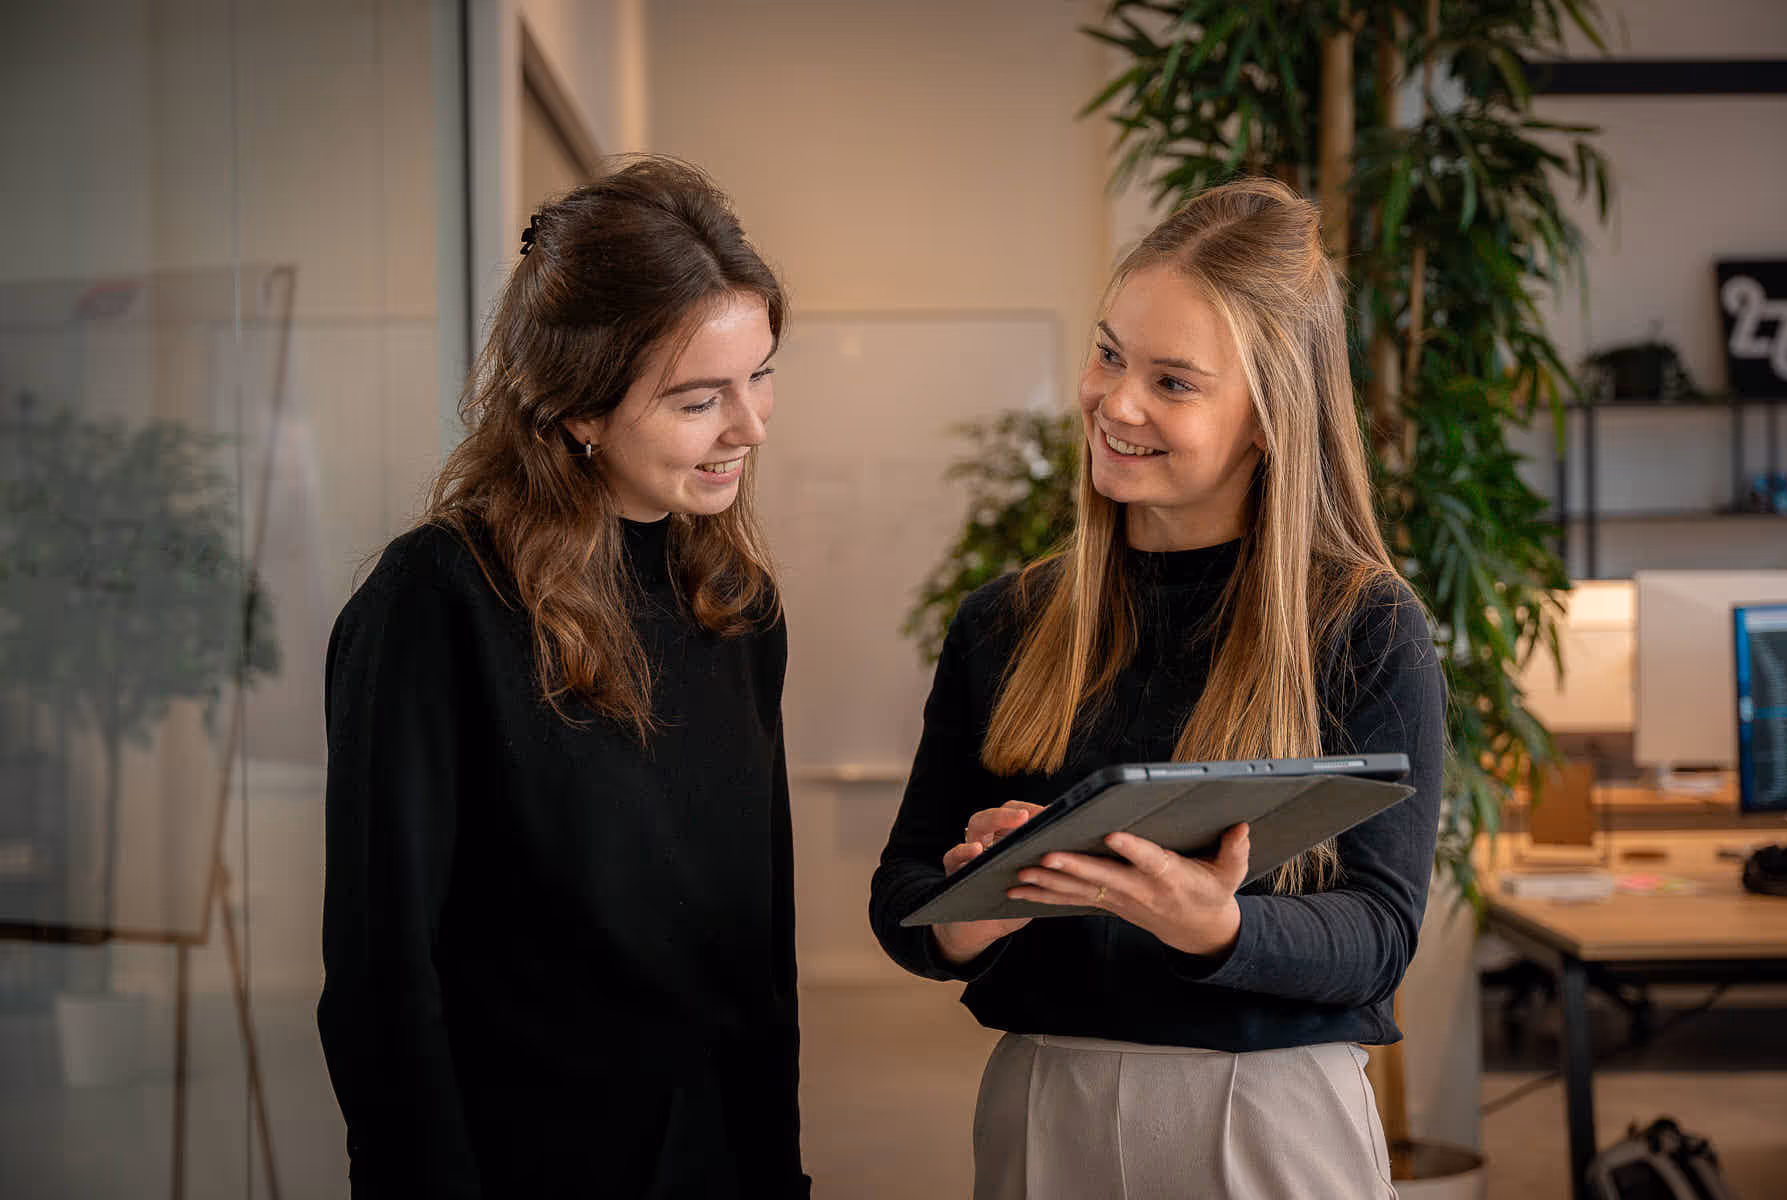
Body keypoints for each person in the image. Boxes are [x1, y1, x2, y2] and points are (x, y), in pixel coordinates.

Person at [869, 177, 1444, 1199]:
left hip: (1267, 1116)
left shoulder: (1364, 627)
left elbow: (1379, 936)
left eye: (1174, 382)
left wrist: (1211, 924)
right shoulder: (1003, 621)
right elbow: (906, 900)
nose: (1115, 402)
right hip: (1047, 1100)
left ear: (1269, 419)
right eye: (1108, 354)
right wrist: (982, 904)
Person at [319, 156, 809, 1198]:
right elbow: (382, 977)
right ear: (581, 410)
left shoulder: (738, 604)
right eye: (698, 400)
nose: (751, 427)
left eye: (760, 373)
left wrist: (779, 1171)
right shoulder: (438, 602)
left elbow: (761, 958)